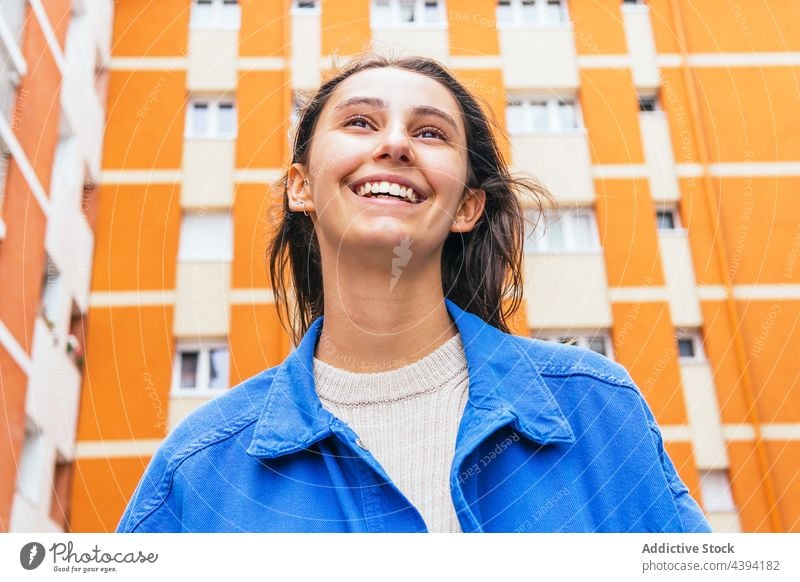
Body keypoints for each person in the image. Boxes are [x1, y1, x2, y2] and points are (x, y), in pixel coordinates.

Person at [117, 54, 711, 533]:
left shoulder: (598, 410)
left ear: (467, 207)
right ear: (299, 187)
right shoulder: (197, 473)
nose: (395, 145)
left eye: (430, 132)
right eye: (359, 123)